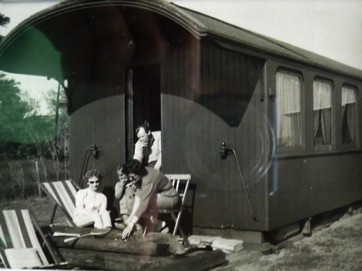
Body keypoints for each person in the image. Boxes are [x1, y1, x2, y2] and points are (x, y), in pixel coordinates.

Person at [121, 159, 180, 240]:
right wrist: (131, 217)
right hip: (157, 197)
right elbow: (138, 196)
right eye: (130, 177)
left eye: (133, 177)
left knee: (146, 203)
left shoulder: (149, 178)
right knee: (135, 205)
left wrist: (131, 224)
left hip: (170, 199)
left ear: (139, 173)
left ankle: (159, 224)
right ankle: (158, 224)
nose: (131, 180)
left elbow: (143, 204)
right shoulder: (139, 176)